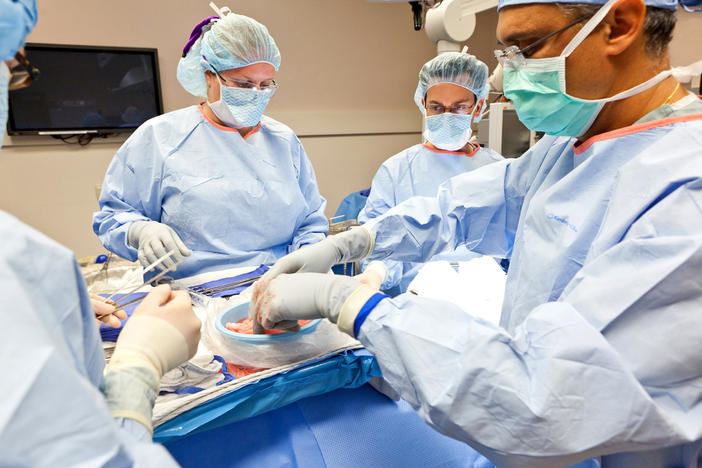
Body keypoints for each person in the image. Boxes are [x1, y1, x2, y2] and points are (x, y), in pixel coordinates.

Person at [250, 0, 702, 465]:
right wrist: (356, 241)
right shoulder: (569, 147)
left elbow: (540, 401)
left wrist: (347, 303)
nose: (504, 79)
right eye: (506, 54)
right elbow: (460, 209)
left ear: (620, 25)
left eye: (526, 47)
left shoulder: (685, 190)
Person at [0, 4, 201, 464]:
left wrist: (47, 304)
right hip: (180, 302)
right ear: (206, 75)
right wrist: (138, 368)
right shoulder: (16, 262)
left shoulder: (284, 140)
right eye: (13, 68)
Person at [93, 9, 328, 280]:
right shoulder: (160, 138)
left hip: (279, 288)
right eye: (243, 84)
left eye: (266, 85)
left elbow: (310, 221)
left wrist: (308, 267)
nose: (256, 94)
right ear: (209, 76)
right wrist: (140, 231)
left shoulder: (284, 141)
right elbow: (113, 216)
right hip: (191, 295)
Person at [356, 50, 503, 295]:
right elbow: (380, 241)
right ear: (422, 105)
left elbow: (512, 242)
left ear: (478, 109)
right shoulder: (397, 170)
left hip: (487, 295)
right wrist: (375, 273)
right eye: (436, 107)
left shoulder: (497, 170)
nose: (446, 116)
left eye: (458, 108)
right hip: (416, 298)